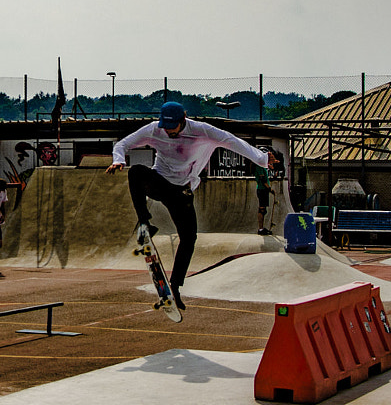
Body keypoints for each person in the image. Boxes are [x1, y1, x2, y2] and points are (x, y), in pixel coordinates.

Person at [106, 102, 272, 310]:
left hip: (182, 192)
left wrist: (262, 158)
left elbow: (232, 141)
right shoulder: (154, 130)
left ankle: (175, 286)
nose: (168, 131)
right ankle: (145, 223)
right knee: (136, 173)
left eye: (172, 127)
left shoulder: (203, 131)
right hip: (160, 182)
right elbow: (122, 144)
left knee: (189, 238)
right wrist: (118, 160)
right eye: (165, 127)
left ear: (183, 120)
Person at [253, 147, 283, 235]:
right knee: (261, 209)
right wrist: (270, 189)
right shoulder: (259, 166)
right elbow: (262, 179)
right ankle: (260, 229)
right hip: (262, 189)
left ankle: (262, 228)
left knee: (264, 210)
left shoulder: (263, 166)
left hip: (264, 190)